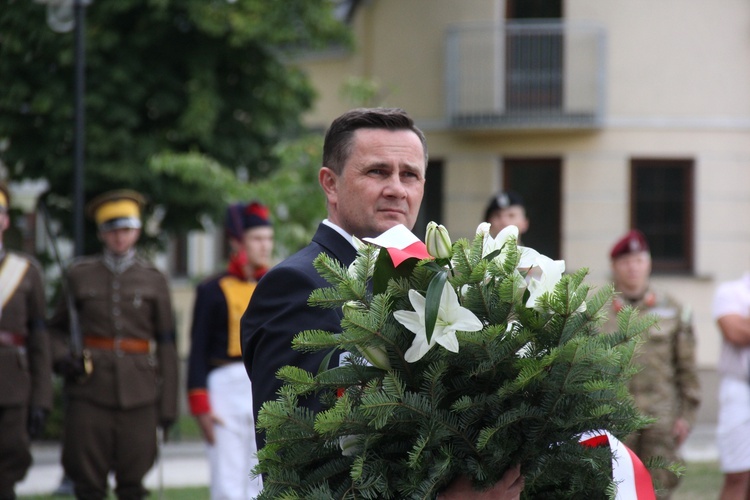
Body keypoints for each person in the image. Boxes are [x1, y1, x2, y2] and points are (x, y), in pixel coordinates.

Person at [241, 107, 524, 499]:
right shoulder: (296, 284)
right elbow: (298, 466)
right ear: (330, 184)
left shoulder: (434, 282)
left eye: (409, 174)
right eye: (377, 172)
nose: (396, 188)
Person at [49, 189, 178, 500]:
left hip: (140, 392)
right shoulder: (79, 275)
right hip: (89, 390)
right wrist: (62, 359)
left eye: (126, 230)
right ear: (101, 233)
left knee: (133, 482)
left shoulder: (154, 278)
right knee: (88, 482)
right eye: (112, 230)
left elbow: (167, 344)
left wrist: (169, 403)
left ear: (136, 231)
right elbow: (54, 330)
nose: (119, 238)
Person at [604, 229, 700, 499]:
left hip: (661, 418)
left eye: (638, 260)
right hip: (615, 418)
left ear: (648, 263)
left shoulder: (672, 309)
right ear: (614, 266)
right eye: (625, 262)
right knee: (614, 490)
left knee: (658, 489)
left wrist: (687, 416)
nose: (633, 267)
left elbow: (687, 368)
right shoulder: (597, 312)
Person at [187, 200, 273, 499]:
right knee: (227, 479)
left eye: (268, 239)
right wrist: (200, 404)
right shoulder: (211, 289)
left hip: (261, 384)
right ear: (238, 242)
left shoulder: (275, 285)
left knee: (261, 476)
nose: (266, 246)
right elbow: (197, 349)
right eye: (258, 239)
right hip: (223, 385)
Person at [0, 183, 52, 500]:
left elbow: (39, 340)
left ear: (5, 221)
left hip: (12, 383)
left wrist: (42, 398)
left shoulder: (26, 272)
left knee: (11, 455)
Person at [713, 271, 750, 499]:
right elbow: (734, 332)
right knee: (738, 474)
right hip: (741, 389)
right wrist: (740, 325)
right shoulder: (730, 291)